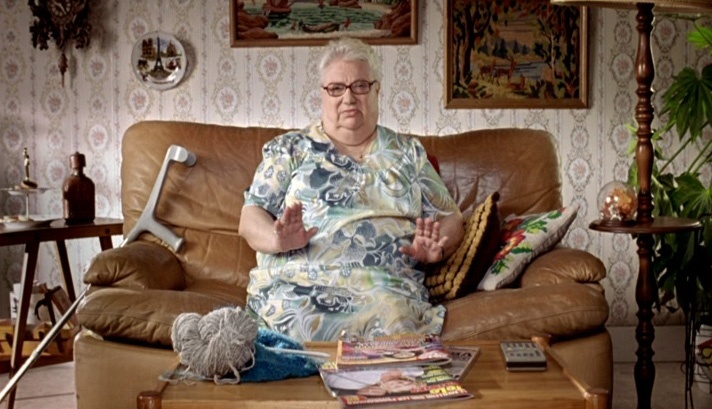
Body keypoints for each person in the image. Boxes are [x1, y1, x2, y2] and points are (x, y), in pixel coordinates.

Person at [239, 37, 464, 342]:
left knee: (395, 321)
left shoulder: (407, 153)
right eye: (336, 88)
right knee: (297, 321)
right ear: (323, 94)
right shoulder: (291, 149)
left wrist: (437, 249)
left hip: (385, 287)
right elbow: (250, 216)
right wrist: (277, 239)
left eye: (360, 86)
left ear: (377, 90)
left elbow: (451, 217)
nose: (348, 97)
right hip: (299, 284)